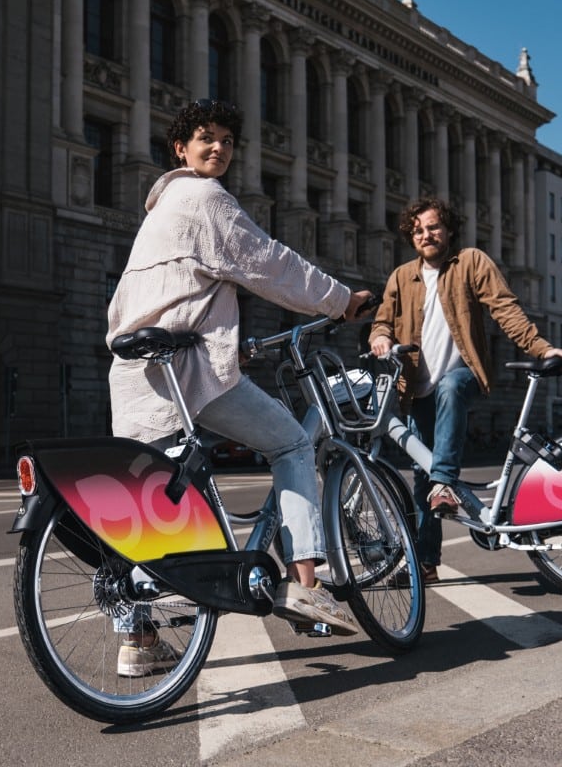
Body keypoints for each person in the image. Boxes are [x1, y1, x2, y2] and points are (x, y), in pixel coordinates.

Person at [106, 100, 376, 676]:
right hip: (189, 371)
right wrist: (340, 300)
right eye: (206, 138)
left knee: (146, 498)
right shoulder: (206, 199)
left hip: (134, 373)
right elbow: (269, 264)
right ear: (180, 148)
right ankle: (307, 583)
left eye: (228, 140)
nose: (219, 149)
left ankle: (138, 639)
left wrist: (235, 341)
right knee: (292, 444)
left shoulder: (153, 216)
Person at [368, 197, 562, 585]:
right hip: (415, 389)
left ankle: (446, 483)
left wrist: (542, 348)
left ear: (447, 230)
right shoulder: (400, 277)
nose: (425, 235)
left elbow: (505, 309)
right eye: (417, 230)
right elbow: (383, 321)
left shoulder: (471, 262)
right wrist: (380, 337)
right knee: (421, 475)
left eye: (432, 227)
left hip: (463, 375)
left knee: (448, 399)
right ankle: (425, 564)